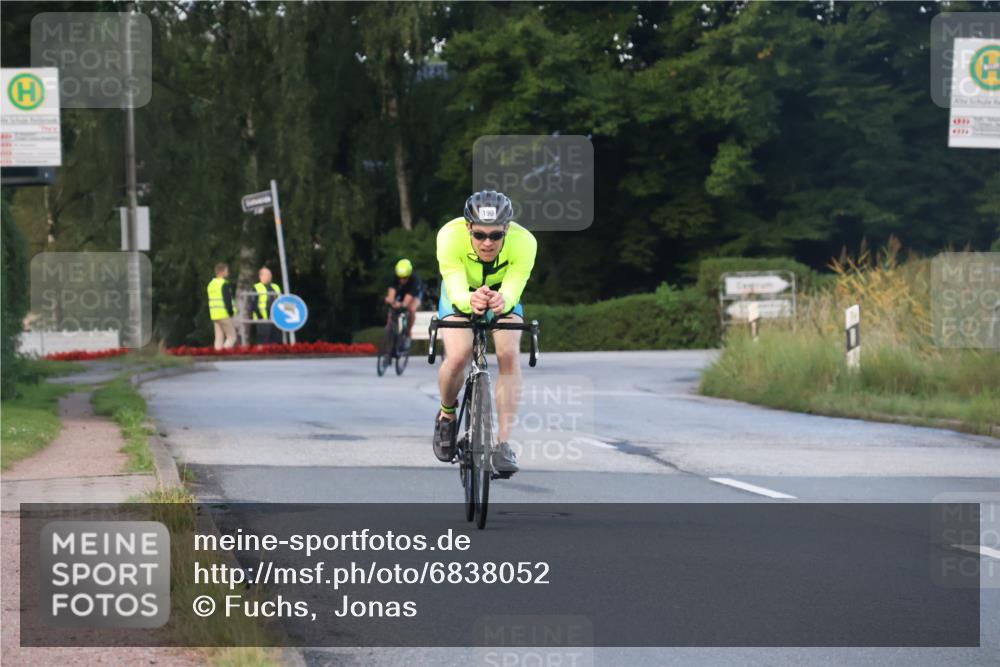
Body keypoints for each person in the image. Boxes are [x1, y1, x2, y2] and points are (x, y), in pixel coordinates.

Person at [432, 190, 537, 475]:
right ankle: (446, 415)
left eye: (495, 235)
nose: (487, 243)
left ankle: (503, 444)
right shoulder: (449, 236)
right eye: (479, 235)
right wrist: (470, 300)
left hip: (503, 295)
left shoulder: (525, 242)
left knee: (509, 354)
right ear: (468, 227)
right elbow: (455, 287)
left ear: (507, 229)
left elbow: (515, 285)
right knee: (458, 356)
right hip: (460, 294)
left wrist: (505, 300)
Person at [384, 258, 423, 341]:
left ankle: (408, 331)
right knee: (392, 308)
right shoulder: (394, 277)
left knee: (411, 309)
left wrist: (401, 304)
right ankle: (389, 329)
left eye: (405, 278)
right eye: (400, 277)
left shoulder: (415, 280)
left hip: (414, 294)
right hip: (402, 292)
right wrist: (391, 301)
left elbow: (406, 302)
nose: (402, 280)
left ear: (409, 275)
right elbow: (391, 295)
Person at [207, 263, 237, 349]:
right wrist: (231, 312)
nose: (228, 272)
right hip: (224, 314)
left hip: (214, 314)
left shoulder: (211, 284)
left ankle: (217, 353)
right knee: (232, 337)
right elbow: (227, 300)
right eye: (226, 270)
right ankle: (224, 353)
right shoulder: (224, 284)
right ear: (222, 272)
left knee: (219, 337)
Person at [249, 267, 282, 345]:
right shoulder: (256, 287)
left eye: (270, 274)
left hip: (275, 319)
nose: (270, 276)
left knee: (275, 340)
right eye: (267, 274)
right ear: (261, 276)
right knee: (263, 341)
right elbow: (253, 304)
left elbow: (281, 301)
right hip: (262, 319)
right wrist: (260, 316)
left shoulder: (276, 286)